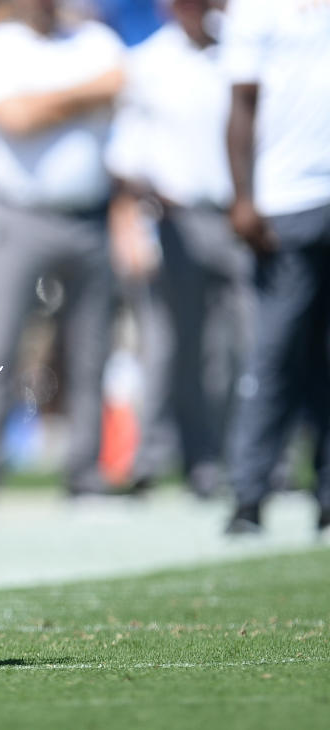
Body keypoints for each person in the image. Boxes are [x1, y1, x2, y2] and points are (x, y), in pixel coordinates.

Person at [0, 0, 125, 495]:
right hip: (17, 211)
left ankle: (86, 473)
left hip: (92, 212)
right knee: (1, 346)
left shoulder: (96, 40)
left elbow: (118, 88)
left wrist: (47, 101)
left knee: (92, 351)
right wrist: (87, 93)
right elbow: (15, 117)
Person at [105, 0, 252, 498]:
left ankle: (242, 457)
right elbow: (126, 155)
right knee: (170, 345)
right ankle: (160, 457)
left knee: (240, 347)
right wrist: (132, 221)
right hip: (175, 217)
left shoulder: (240, 49)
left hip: (241, 213)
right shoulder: (149, 61)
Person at [221, 0, 330, 534]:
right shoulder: (254, 9)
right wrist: (243, 195)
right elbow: (242, 103)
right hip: (288, 198)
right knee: (274, 355)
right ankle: (249, 492)